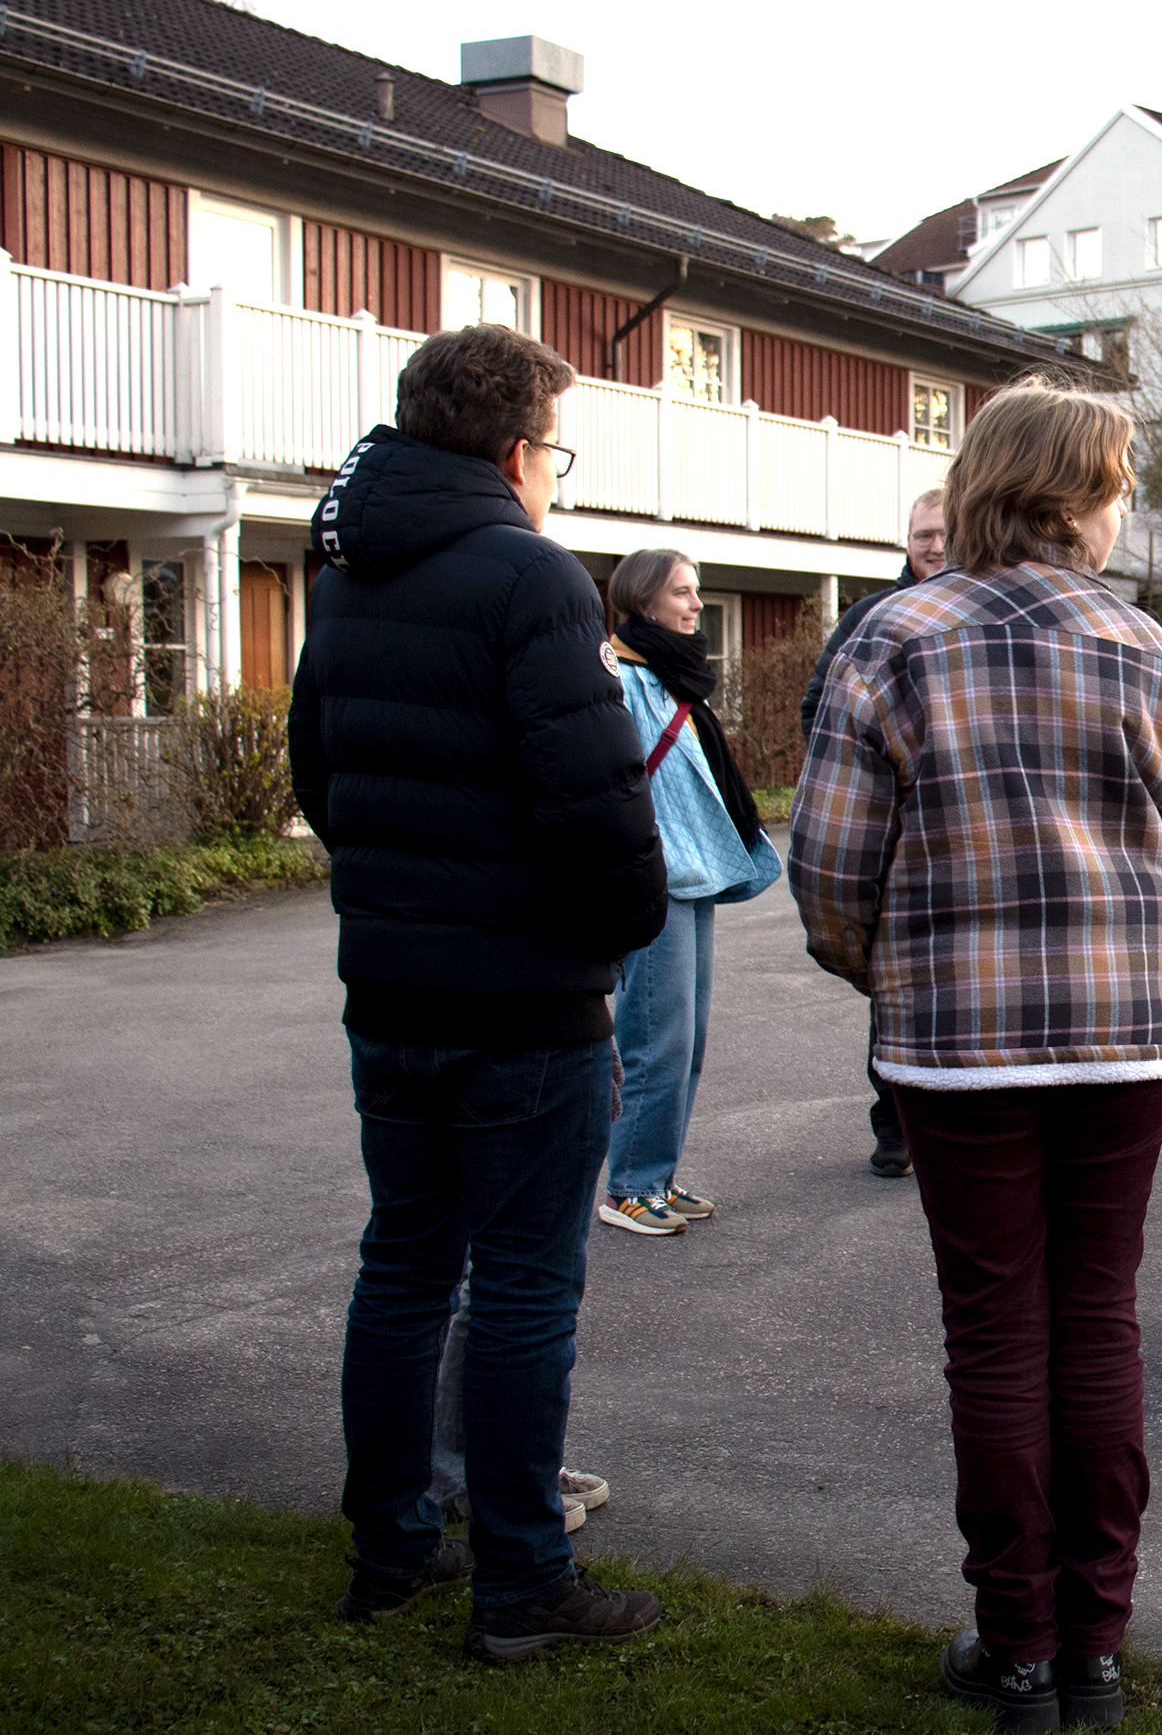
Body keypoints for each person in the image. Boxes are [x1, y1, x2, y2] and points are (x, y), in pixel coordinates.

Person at [790, 377, 1162, 1733]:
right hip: (1120, 1046)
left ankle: (1021, 1648)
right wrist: (1133, 967)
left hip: (954, 1051)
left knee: (997, 1333)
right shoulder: (1154, 654)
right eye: (1117, 487)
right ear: (1074, 496)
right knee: (1095, 1322)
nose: (1124, 512)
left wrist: (904, 976)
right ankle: (1093, 1647)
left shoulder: (895, 638)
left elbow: (826, 874)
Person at [290, 322, 669, 1659]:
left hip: (390, 983)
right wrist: (628, 932)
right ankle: (520, 1578)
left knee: (401, 1263)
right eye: (555, 446)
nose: (555, 471)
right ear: (516, 447)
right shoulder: (533, 576)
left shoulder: (342, 571)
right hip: (521, 999)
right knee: (519, 1284)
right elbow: (593, 798)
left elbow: (316, 780)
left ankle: (390, 1541)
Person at [597, 547, 783, 1235]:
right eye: (683, 592)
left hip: (695, 876)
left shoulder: (673, 679)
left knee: (688, 1040)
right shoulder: (619, 677)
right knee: (654, 1039)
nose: (697, 605)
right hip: (657, 882)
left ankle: (657, 1176)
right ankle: (629, 1188)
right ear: (645, 600)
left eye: (697, 591)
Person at [798, 484, 950, 1180]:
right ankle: (893, 1124)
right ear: (906, 540)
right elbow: (817, 707)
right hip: (895, 837)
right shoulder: (869, 617)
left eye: (945, 533)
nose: (934, 546)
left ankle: (948, 1112)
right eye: (923, 535)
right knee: (897, 986)